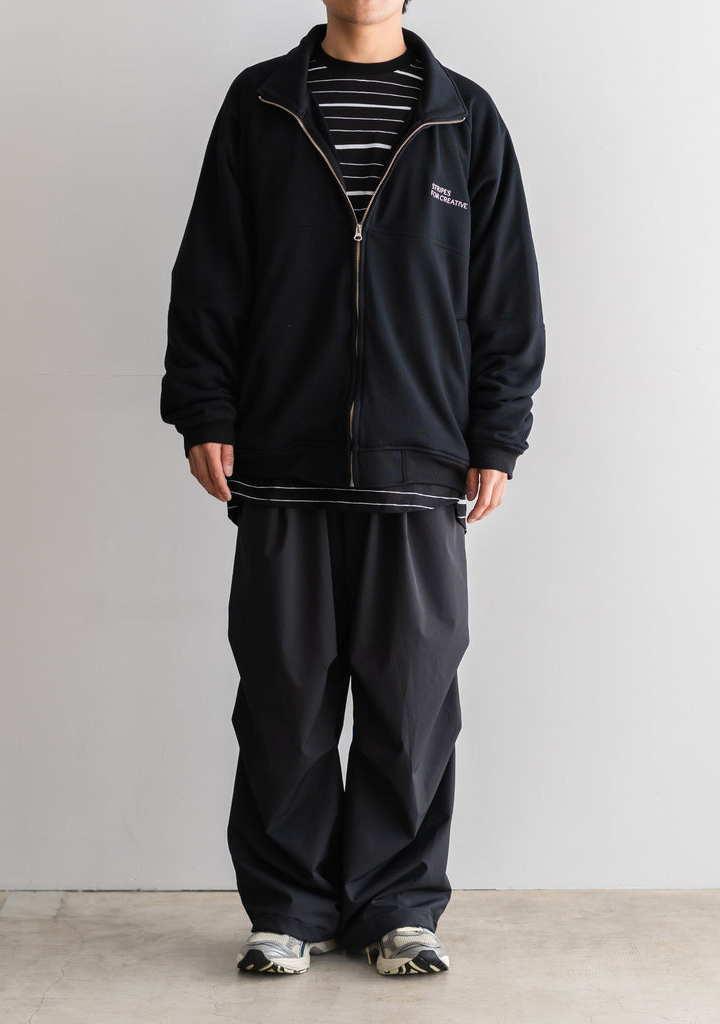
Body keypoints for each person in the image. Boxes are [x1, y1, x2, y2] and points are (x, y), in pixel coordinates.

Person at [160, 0, 546, 977]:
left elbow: (504, 295)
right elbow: (212, 270)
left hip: (420, 463)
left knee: (412, 703)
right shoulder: (260, 106)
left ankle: (399, 907)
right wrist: (205, 408)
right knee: (283, 701)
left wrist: (498, 434)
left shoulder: (466, 119)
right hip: (282, 460)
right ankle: (290, 908)